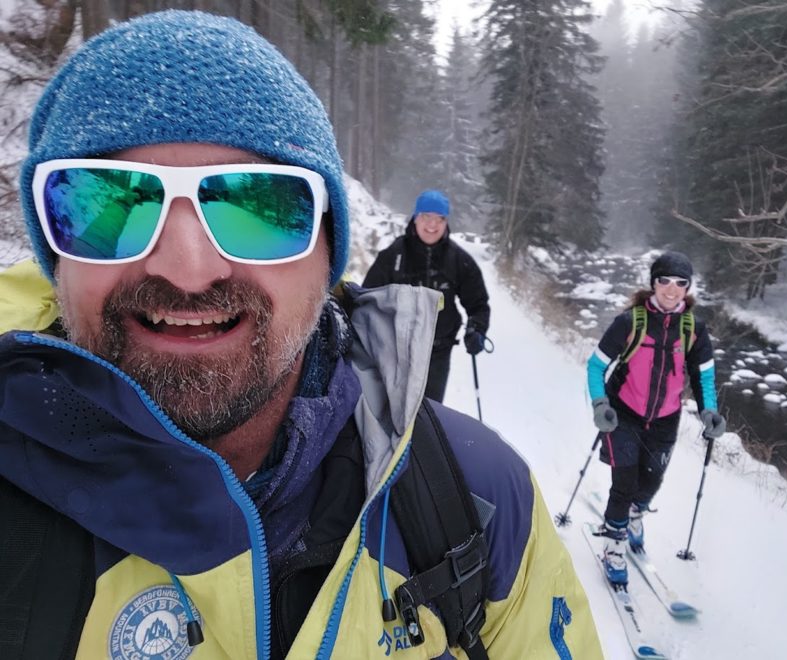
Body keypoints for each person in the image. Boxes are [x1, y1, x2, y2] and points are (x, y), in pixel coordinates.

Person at [0, 10, 603, 660]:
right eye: (107, 202)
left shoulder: (482, 499)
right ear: (55, 256)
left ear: (326, 257)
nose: (188, 267)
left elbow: (478, 296)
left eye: (259, 207)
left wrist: (477, 327)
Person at [585, 251, 726, 586]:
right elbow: (595, 365)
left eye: (681, 283)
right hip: (624, 415)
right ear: (653, 283)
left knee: (652, 482)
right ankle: (614, 546)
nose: (672, 289)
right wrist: (600, 404)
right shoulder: (630, 322)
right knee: (625, 484)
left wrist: (710, 411)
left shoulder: (693, 329)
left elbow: (704, 376)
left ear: (688, 288)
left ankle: (636, 514)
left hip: (665, 419)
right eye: (665, 281)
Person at [362, 190, 490, 402]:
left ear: (445, 221)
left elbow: (478, 304)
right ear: (415, 218)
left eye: (439, 218)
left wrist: (477, 328)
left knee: (429, 414)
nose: (432, 225)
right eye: (426, 217)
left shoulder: (459, 260)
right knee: (392, 409)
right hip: (397, 352)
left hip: (437, 354)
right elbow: (367, 298)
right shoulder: (394, 255)